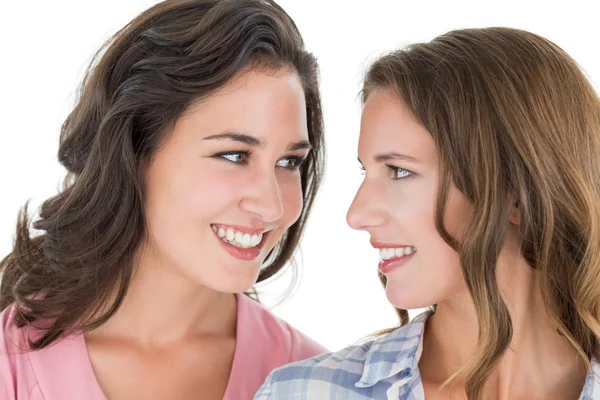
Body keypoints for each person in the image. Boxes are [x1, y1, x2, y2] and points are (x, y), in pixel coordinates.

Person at [0, 0, 327, 399]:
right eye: (235, 155)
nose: (273, 207)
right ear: (134, 150)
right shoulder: (10, 363)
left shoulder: (315, 384)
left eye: (289, 161)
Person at [255, 27, 600, 400]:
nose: (356, 215)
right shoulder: (305, 393)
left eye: (400, 171)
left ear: (515, 193)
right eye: (365, 171)